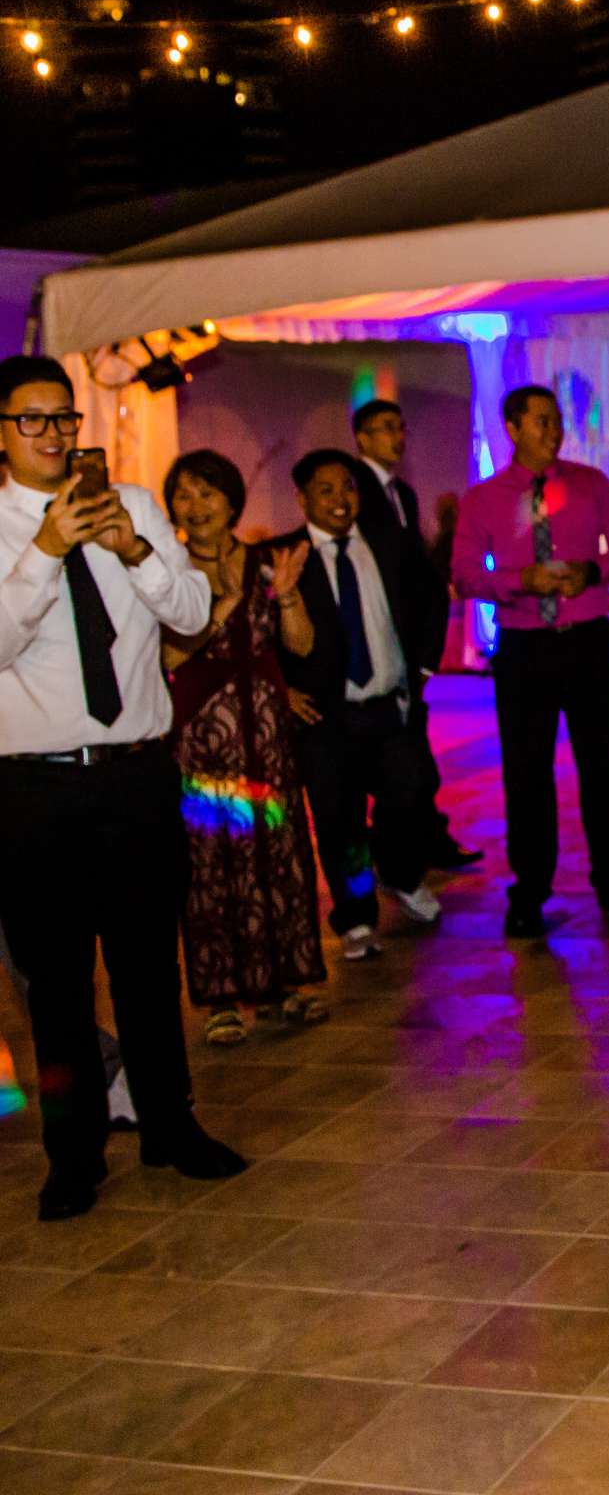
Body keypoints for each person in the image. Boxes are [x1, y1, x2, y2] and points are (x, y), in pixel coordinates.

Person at [0, 354, 247, 1221]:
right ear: (3, 435)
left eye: (65, 418)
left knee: (148, 967)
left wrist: (132, 548)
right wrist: (45, 550)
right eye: (33, 420)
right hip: (36, 793)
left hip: (139, 775)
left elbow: (188, 611)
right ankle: (74, 1157)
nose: (55, 435)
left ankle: (171, 1128)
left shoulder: (136, 505)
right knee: (58, 985)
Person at [453, 385, 609, 936]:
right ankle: (530, 891)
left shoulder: (589, 483)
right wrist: (521, 581)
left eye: (557, 420)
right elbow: (466, 574)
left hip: (587, 639)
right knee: (526, 773)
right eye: (541, 421)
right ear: (512, 428)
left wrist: (592, 572)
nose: (554, 430)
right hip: (524, 648)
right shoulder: (483, 499)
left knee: (602, 768)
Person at [161, 451, 328, 1044]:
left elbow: (301, 646)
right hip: (203, 742)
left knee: (278, 856)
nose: (196, 506)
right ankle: (222, 999)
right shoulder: (167, 574)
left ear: (232, 501)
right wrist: (218, 614)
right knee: (211, 866)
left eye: (207, 493)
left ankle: (288, 982)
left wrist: (285, 597)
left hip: (267, 740)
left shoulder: (266, 563)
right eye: (184, 494)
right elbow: (165, 659)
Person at [277, 450, 443, 962]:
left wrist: (425, 666)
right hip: (328, 716)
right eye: (324, 490)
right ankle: (356, 919)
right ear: (302, 498)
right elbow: (259, 635)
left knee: (413, 794)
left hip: (391, 704)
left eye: (347, 487)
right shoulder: (285, 558)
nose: (339, 499)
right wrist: (281, 686)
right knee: (338, 819)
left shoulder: (389, 542)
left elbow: (433, 595)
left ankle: (398, 874)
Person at [350, 399, 480, 871]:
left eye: (400, 427)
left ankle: (423, 841)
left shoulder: (400, 492)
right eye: (386, 429)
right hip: (376, 637)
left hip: (406, 640)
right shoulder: (355, 489)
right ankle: (401, 851)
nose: (398, 437)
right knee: (397, 759)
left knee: (413, 751)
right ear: (362, 437)